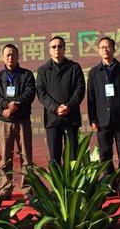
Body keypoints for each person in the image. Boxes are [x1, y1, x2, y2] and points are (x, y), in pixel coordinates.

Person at [87, 36, 120, 196]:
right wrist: (92, 119)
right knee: (105, 155)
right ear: (98, 51)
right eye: (102, 47)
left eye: (108, 47)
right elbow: (91, 98)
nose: (105, 50)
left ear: (114, 49)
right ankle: (109, 185)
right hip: (102, 120)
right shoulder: (94, 73)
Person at [0, 44, 36, 199]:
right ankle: (5, 188)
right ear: (3, 58)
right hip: (4, 122)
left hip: (22, 120)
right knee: (5, 157)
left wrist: (15, 105)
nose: (10, 57)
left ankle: (28, 189)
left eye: (13, 54)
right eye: (7, 55)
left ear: (18, 56)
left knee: (26, 157)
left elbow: (29, 93)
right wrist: (6, 105)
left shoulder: (26, 75)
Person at [36, 36, 85, 164]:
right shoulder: (43, 70)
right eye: (54, 47)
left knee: (73, 156)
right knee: (54, 157)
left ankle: (73, 178)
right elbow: (41, 93)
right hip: (53, 118)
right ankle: (56, 178)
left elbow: (80, 89)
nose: (57, 49)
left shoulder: (74, 67)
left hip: (71, 117)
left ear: (64, 49)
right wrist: (55, 108)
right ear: (49, 50)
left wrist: (69, 106)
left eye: (60, 46)